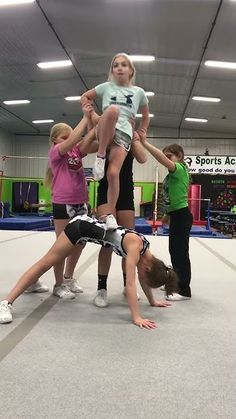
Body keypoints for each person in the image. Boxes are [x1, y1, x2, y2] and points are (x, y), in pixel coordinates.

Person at [0, 214, 177, 328]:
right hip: (79, 228)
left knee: (52, 261)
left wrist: (152, 301)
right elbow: (131, 284)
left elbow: (141, 278)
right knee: (46, 262)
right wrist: (136, 317)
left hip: (88, 230)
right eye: (144, 276)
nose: (141, 277)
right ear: (147, 268)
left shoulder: (146, 253)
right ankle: (6, 303)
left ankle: (32, 283)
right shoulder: (135, 247)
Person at [27, 112, 98, 299]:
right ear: (55, 140)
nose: (69, 140)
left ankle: (68, 277)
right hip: (63, 203)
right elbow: (76, 138)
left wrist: (94, 122)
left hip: (81, 201)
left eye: (69, 137)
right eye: (64, 137)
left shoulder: (76, 151)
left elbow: (91, 141)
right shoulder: (56, 152)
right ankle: (58, 285)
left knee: (80, 243)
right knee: (61, 246)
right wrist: (84, 117)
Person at [80, 53, 150, 229]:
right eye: (116, 65)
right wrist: (93, 115)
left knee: (112, 173)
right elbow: (85, 96)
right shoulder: (106, 87)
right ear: (112, 70)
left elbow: (146, 114)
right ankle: (101, 154)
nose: (119, 67)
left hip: (124, 134)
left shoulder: (138, 92)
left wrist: (142, 131)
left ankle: (110, 214)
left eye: (124, 65)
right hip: (106, 128)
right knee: (112, 110)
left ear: (131, 70)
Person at [94, 134, 147, 308]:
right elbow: (88, 148)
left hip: (125, 192)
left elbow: (143, 158)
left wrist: (135, 138)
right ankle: (101, 288)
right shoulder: (107, 135)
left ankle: (127, 285)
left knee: (129, 242)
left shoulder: (129, 138)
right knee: (107, 242)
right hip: (105, 190)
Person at [140, 139, 193, 301]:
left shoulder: (180, 169)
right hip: (176, 214)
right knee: (174, 251)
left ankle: (184, 289)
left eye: (170, 156)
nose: (166, 159)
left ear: (180, 156)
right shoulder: (172, 174)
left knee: (180, 253)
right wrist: (167, 214)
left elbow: (161, 159)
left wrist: (144, 142)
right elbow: (174, 196)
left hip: (182, 215)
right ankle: (176, 282)